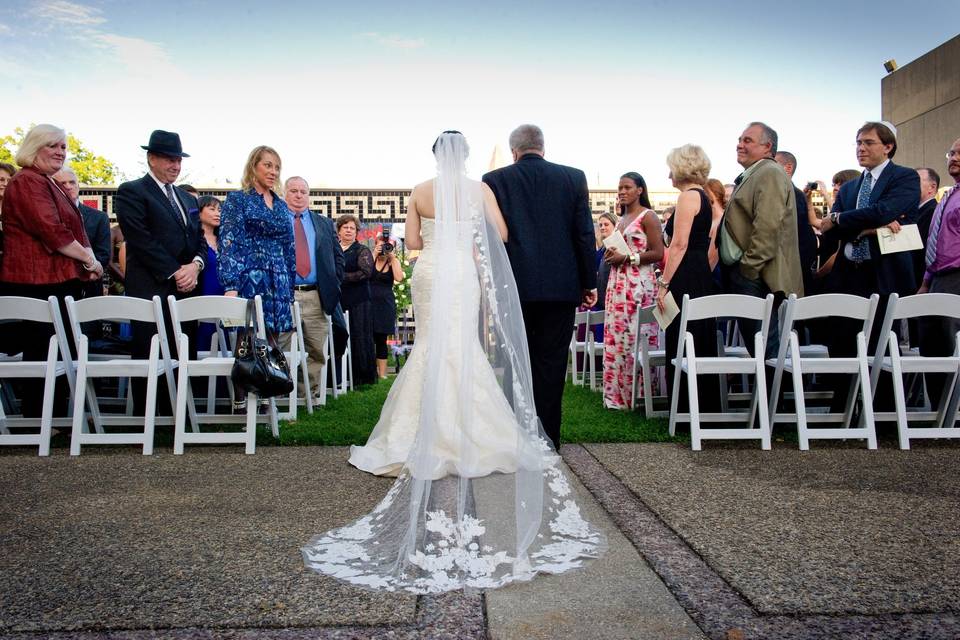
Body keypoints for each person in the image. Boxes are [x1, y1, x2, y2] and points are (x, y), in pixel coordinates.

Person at [304, 130, 604, 594]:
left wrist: (436, 232)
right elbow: (501, 235)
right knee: (463, 346)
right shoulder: (478, 188)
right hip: (462, 271)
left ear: (433, 156)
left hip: (429, 273)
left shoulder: (419, 191)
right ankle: (473, 429)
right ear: (464, 156)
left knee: (429, 346)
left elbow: (411, 242)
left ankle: (414, 433)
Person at [482, 124, 597, 450]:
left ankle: (515, 435)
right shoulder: (573, 178)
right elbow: (584, 234)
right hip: (561, 287)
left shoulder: (494, 181)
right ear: (543, 148)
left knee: (515, 358)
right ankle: (547, 438)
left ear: (514, 150)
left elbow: (491, 239)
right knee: (552, 361)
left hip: (513, 286)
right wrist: (589, 282)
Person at [818, 121, 920, 413]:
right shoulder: (850, 187)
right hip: (848, 275)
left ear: (887, 146)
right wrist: (864, 225)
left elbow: (883, 211)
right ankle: (843, 410)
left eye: (868, 143)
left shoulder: (904, 178)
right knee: (841, 341)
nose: (861, 148)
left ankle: (885, 413)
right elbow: (832, 229)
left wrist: (846, 220)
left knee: (882, 344)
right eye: (858, 143)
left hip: (884, 274)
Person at [0, 124, 100, 416]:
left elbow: (73, 227)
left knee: (56, 349)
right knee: (44, 350)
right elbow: (52, 232)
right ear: (34, 147)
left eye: (63, 147)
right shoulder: (28, 181)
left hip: (56, 280)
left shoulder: (46, 181)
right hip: (38, 282)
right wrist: (90, 261)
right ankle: (39, 417)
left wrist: (87, 256)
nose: (60, 152)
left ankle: (50, 416)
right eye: (52, 146)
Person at [718, 122, 803, 359]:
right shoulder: (757, 172)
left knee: (767, 351)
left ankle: (777, 396)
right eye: (740, 139)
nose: (740, 145)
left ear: (768, 147)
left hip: (757, 277)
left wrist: (748, 269)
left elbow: (767, 227)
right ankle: (768, 396)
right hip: (750, 276)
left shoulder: (769, 172)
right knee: (761, 351)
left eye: (748, 140)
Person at [658, 144, 720, 413]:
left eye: (671, 167)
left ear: (682, 167)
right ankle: (699, 405)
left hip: (685, 272)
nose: (669, 174)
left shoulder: (688, 197)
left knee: (683, 333)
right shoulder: (703, 196)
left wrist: (664, 283)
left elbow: (679, 244)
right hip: (698, 271)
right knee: (697, 334)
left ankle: (685, 408)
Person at [601, 172, 663, 410]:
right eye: (619, 188)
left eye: (627, 187)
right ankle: (616, 395)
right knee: (617, 338)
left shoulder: (649, 216)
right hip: (617, 281)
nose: (622, 192)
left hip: (639, 282)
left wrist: (628, 257)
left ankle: (639, 395)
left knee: (636, 335)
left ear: (640, 190)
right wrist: (613, 256)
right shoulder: (620, 219)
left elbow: (658, 253)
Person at [218, 145, 296, 336]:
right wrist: (231, 286)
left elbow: (289, 249)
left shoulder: (282, 206)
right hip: (250, 279)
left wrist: (290, 289)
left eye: (277, 168)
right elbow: (230, 242)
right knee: (248, 346)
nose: (273, 172)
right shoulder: (238, 199)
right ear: (254, 166)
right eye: (268, 165)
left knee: (273, 345)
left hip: (279, 282)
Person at [282, 176, 344, 400]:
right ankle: (280, 394)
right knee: (281, 347)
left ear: (309, 195)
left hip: (316, 294)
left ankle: (306, 395)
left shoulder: (324, 223)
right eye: (293, 191)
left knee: (316, 349)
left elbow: (338, 258)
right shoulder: (276, 220)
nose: (298, 195)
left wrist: (333, 286)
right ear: (284, 194)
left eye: (303, 191)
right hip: (284, 295)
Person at [917, 137, 960, 409]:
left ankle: (952, 412)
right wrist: (926, 282)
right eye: (951, 152)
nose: (953, 157)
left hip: (957, 277)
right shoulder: (950, 195)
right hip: (937, 279)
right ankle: (940, 412)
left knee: (950, 343)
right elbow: (938, 239)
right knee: (932, 343)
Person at [53, 167, 111, 300]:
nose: (68, 186)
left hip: (89, 285)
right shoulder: (50, 217)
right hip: (57, 286)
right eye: (62, 183)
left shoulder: (99, 217)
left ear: (78, 186)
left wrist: (89, 269)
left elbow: (104, 254)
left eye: (72, 182)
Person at [336, 214, 377, 386]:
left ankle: (361, 377)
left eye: (352, 228)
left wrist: (339, 277)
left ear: (357, 232)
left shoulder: (362, 250)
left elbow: (366, 273)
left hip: (359, 300)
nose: (348, 230)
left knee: (359, 335)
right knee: (339, 336)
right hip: (338, 300)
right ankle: (338, 377)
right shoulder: (333, 249)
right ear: (338, 230)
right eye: (345, 227)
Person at [775, 150, 818, 294]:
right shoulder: (791, 193)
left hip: (795, 259)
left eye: (774, 164)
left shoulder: (792, 194)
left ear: (788, 167)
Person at [371, 226, 404, 379]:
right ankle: (369, 373)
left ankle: (382, 374)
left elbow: (399, 278)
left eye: (386, 245)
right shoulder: (369, 257)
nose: (384, 248)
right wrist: (374, 254)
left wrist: (393, 258)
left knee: (381, 340)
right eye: (381, 244)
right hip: (368, 303)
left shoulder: (392, 261)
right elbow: (365, 273)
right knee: (367, 337)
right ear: (375, 244)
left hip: (385, 305)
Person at [195, 195, 224, 350]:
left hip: (226, 302)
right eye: (212, 209)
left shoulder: (225, 240)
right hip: (202, 303)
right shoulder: (192, 240)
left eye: (219, 210)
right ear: (199, 212)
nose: (217, 213)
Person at [913, 167, 941, 290]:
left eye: (915, 181)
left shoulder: (933, 211)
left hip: (921, 281)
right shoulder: (915, 212)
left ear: (932, 187)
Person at [703, 178, 727, 272]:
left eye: (705, 193)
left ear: (715, 194)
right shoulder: (709, 220)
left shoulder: (721, 219)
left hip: (715, 276)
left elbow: (712, 259)